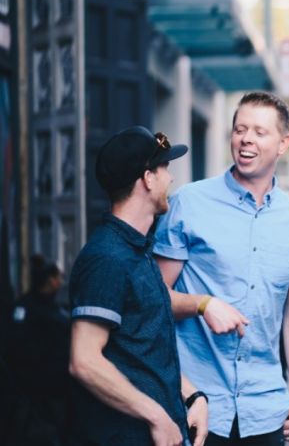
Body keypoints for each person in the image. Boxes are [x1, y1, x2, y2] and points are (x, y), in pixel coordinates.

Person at [154, 91, 289, 445]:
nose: (246, 139)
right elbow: (152, 299)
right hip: (194, 402)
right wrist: (202, 303)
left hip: (267, 409)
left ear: (283, 143)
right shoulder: (188, 203)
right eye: (239, 129)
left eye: (260, 132)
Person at [67, 126, 207, 446]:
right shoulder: (107, 258)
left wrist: (192, 396)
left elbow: (143, 351)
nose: (170, 179)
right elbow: (84, 360)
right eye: (164, 168)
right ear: (147, 178)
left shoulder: (138, 250)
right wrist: (157, 417)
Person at [5, 255, 70, 445]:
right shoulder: (30, 310)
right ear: (50, 280)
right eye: (58, 277)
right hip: (39, 390)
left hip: (47, 388)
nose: (61, 282)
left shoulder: (50, 309)